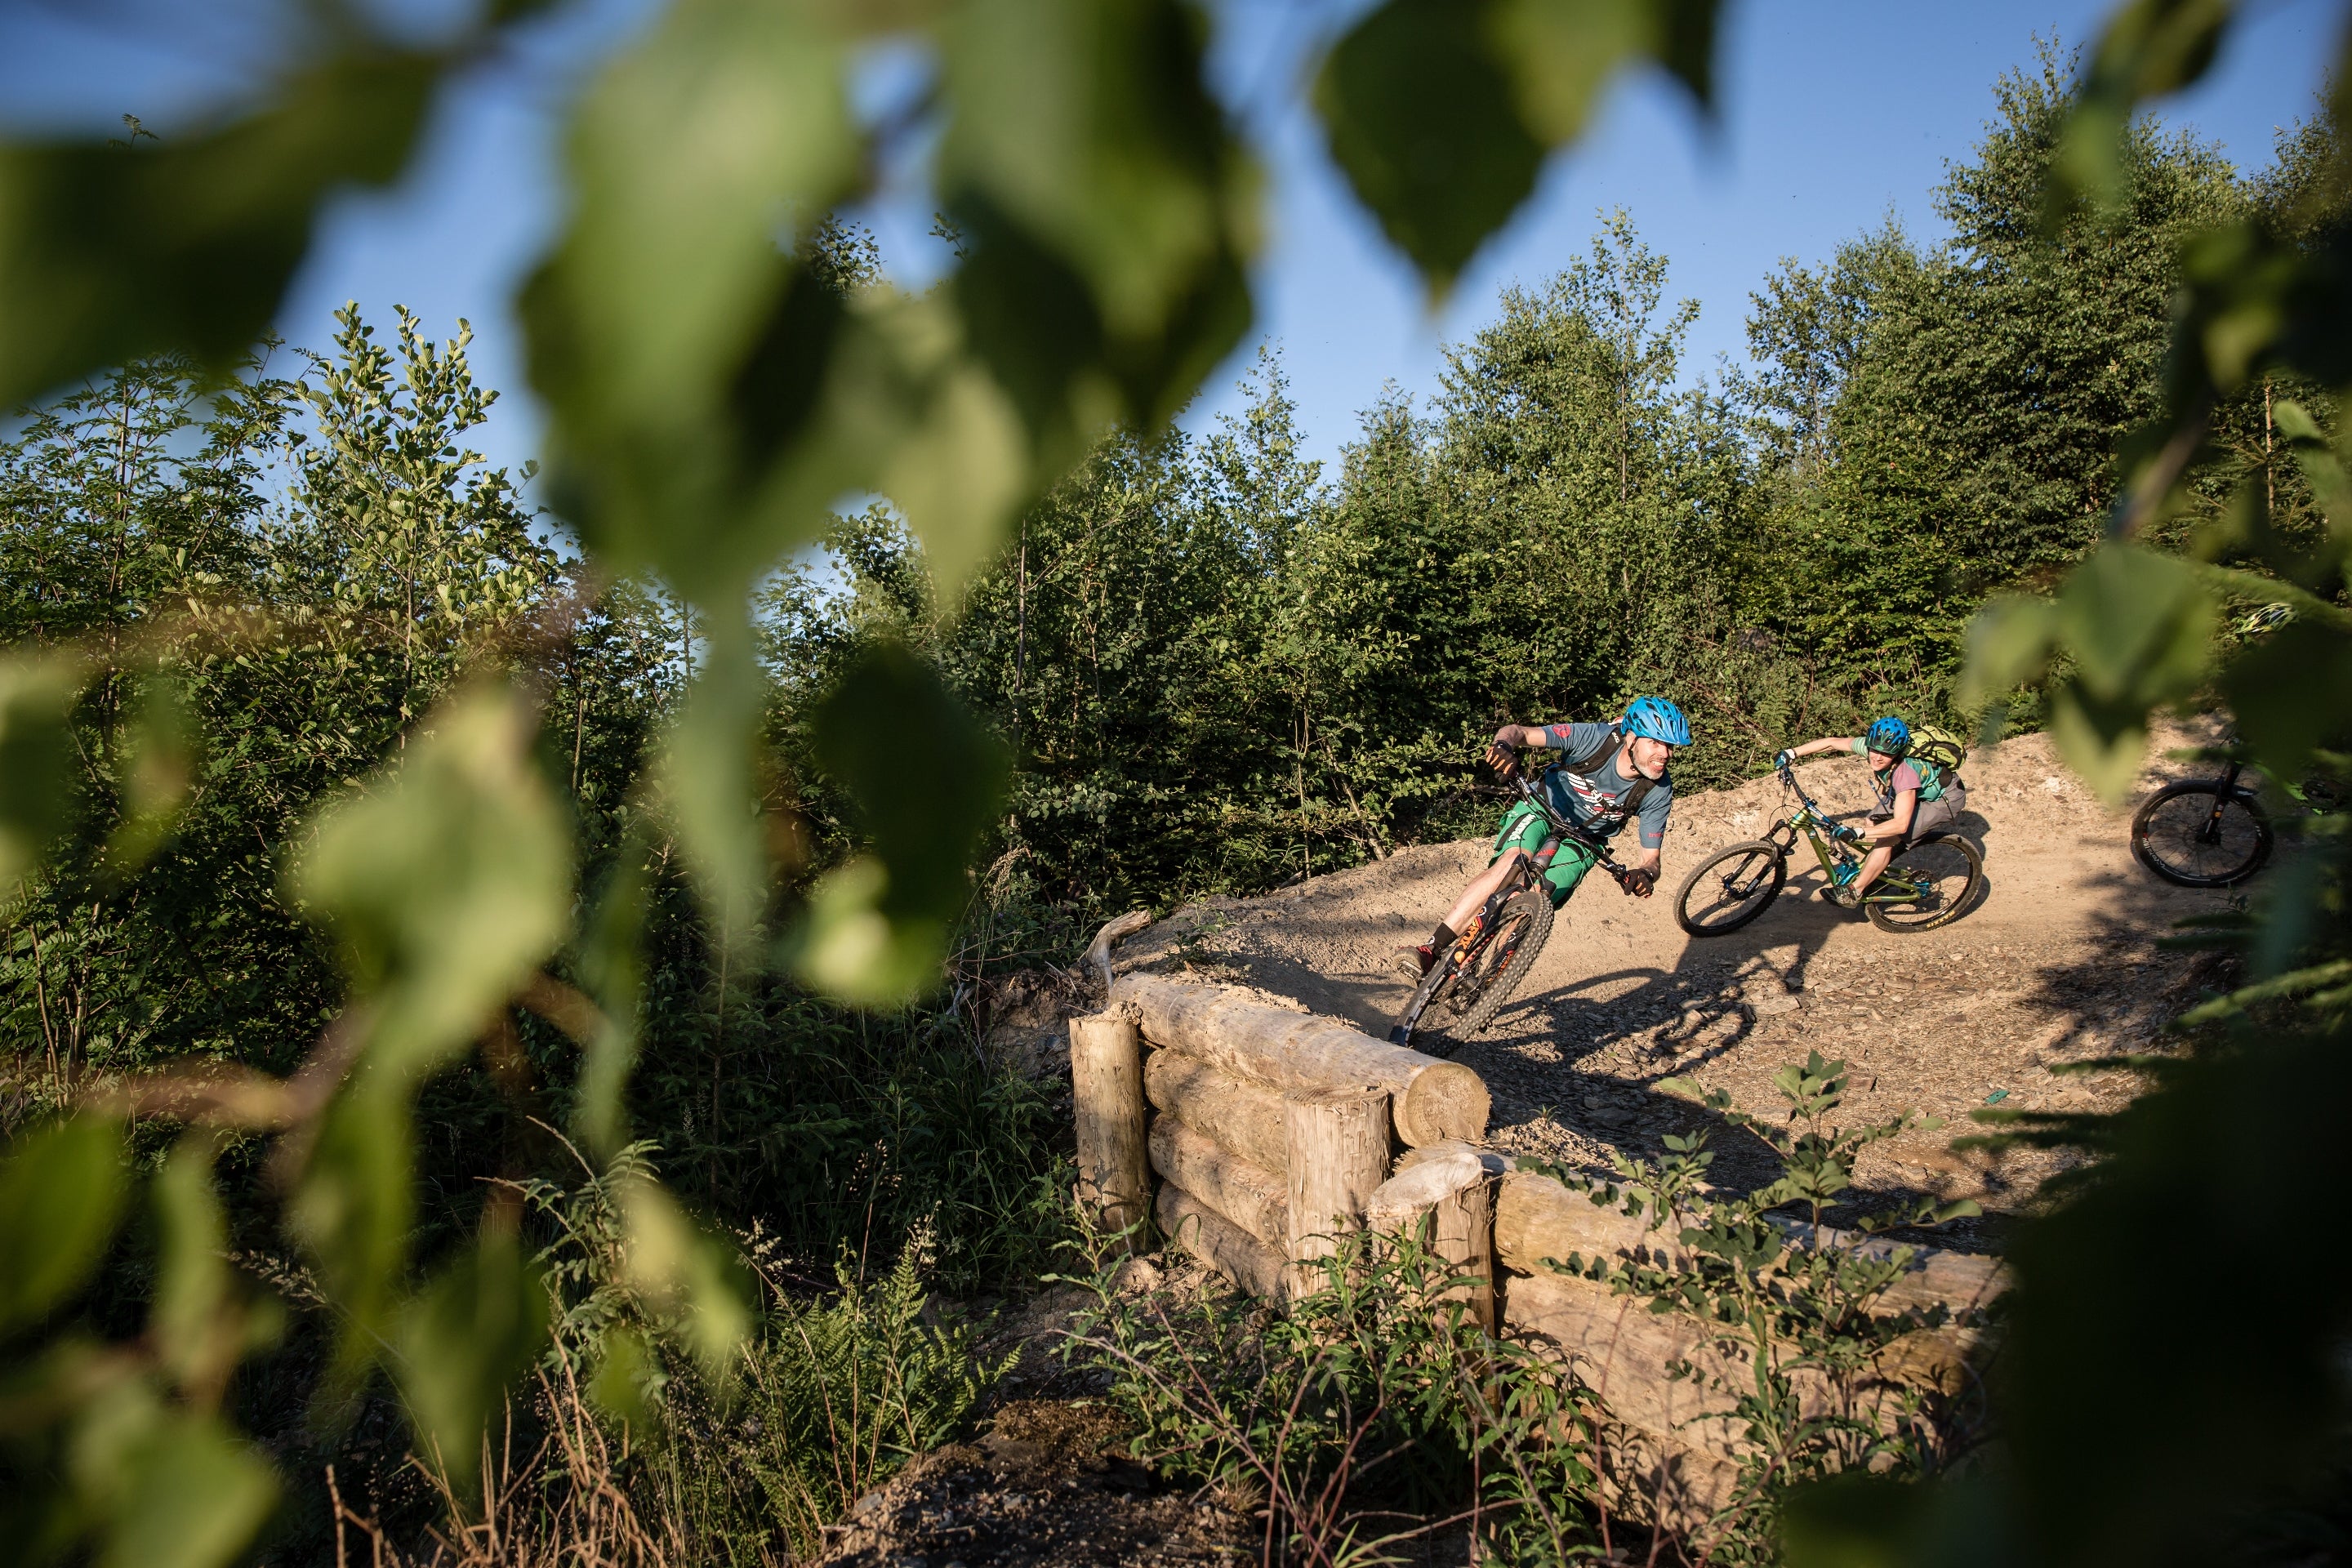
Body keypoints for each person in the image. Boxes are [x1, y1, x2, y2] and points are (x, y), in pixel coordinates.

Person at [1404, 697, 1690, 975]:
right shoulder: (1594, 738)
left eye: (1670, 746)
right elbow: (1519, 732)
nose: (1665, 754)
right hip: (1541, 809)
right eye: (1655, 742)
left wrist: (1646, 874)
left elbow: (1652, 859)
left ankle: (1488, 983)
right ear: (1631, 737)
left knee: (1539, 897)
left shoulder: (1658, 790)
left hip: (1585, 841)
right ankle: (1431, 950)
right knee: (1513, 862)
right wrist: (1503, 745)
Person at [1776, 716, 1969, 906]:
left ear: (1897, 752)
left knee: (1887, 838)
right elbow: (1832, 743)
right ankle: (1877, 876)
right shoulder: (1872, 747)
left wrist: (1859, 832)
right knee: (1872, 821)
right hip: (1911, 791)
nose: (1877, 757)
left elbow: (1901, 824)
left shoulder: (1905, 773)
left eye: (1885, 754)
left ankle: (1855, 892)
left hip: (1943, 800)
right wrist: (1791, 753)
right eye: (1874, 750)